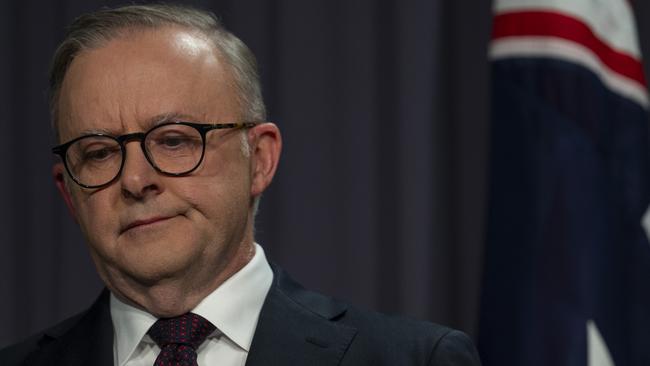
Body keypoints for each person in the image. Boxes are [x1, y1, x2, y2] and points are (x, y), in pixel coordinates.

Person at [0, 4, 481, 366]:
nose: (135, 179)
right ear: (69, 192)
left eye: (173, 141)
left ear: (260, 160)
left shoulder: (416, 359)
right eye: (99, 153)